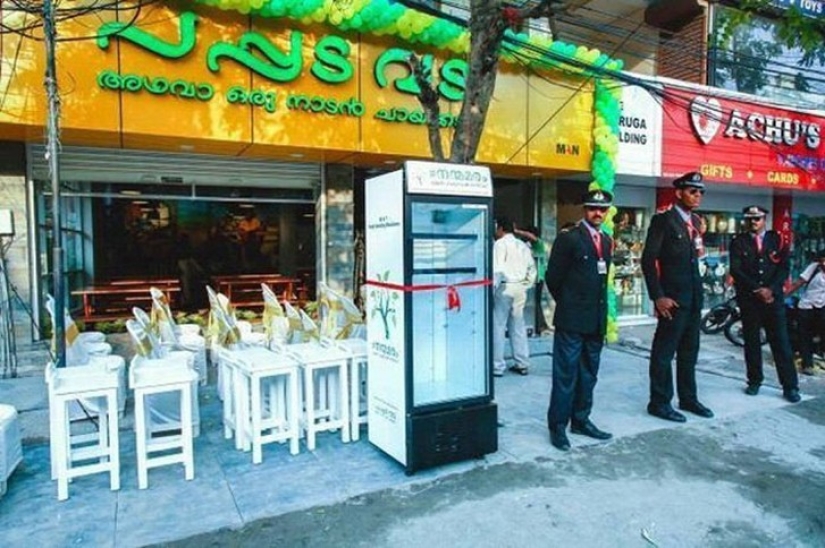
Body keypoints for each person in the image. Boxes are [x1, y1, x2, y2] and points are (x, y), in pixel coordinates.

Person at [641, 171, 714, 422]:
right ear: (679, 192)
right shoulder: (664, 220)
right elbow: (648, 260)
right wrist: (658, 296)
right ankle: (659, 402)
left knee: (689, 352)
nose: (697, 196)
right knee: (663, 353)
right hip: (672, 300)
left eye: (700, 192)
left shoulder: (694, 221)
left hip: (693, 300)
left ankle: (688, 398)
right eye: (693, 191)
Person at [545, 190, 614, 451]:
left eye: (602, 209)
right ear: (584, 209)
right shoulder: (570, 238)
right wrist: (570, 304)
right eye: (593, 208)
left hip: (595, 322)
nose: (598, 213)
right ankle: (558, 427)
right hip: (572, 321)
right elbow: (553, 277)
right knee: (565, 376)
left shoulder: (606, 241)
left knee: (588, 375)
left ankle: (581, 420)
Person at [729, 206, 800, 402]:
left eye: (758, 219)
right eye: (750, 219)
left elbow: (784, 267)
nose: (754, 222)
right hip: (750, 300)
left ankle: (790, 387)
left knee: (781, 343)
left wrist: (770, 289)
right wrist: (757, 289)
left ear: (764, 219)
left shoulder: (776, 240)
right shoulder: (738, 241)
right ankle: (754, 381)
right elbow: (736, 270)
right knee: (752, 342)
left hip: (773, 300)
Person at [492, 216, 536, 377]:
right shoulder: (522, 245)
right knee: (518, 326)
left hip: (504, 287)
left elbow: (496, 271)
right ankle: (522, 363)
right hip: (520, 287)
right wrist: (526, 285)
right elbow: (532, 269)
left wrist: (491, 291)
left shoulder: (499, 244)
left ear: (501, 229)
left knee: (498, 326)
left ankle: (497, 366)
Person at [786, 248, 825, 376]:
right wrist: (784, 295)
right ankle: (807, 364)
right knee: (805, 335)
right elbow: (799, 283)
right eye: (822, 261)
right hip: (807, 305)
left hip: (822, 307)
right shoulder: (813, 268)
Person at [514, 224, 550, 336]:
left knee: (535, 302)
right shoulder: (527, 245)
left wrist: (517, 230)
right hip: (528, 278)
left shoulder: (538, 243)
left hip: (537, 278)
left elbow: (531, 237)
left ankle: (539, 326)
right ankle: (538, 325)